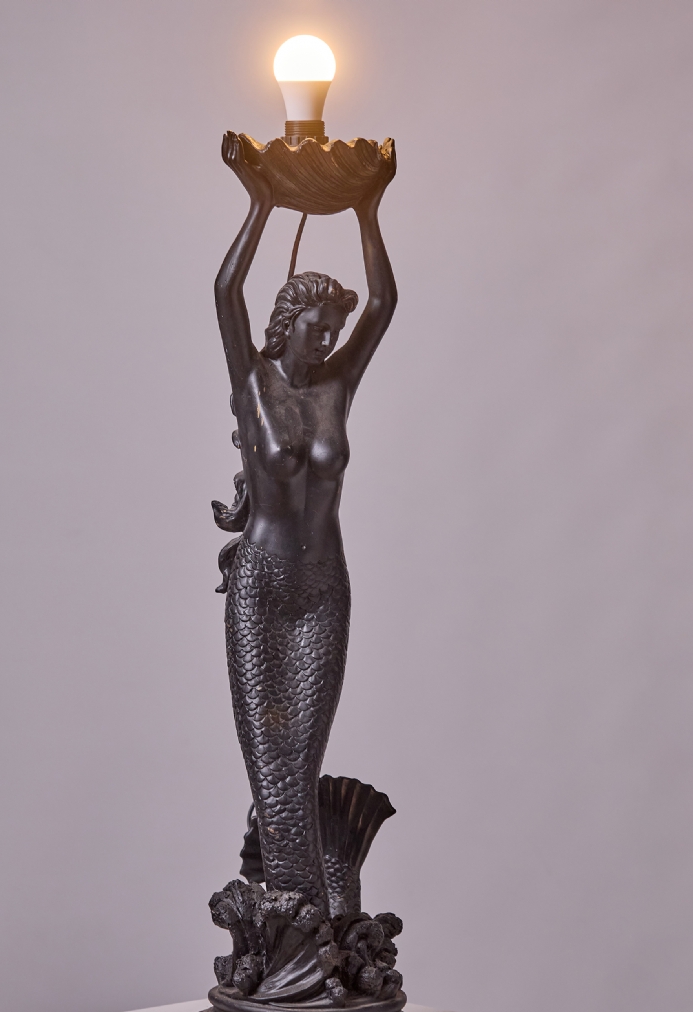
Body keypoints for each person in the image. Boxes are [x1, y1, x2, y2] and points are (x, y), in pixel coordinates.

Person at [214, 130, 397, 919]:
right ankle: (303, 917)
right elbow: (225, 291)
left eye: (331, 330)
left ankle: (309, 912)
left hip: (322, 584)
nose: (325, 340)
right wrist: (259, 205)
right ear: (285, 321)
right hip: (261, 584)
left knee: (304, 747)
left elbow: (383, 305)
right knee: (272, 758)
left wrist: (368, 208)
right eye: (314, 327)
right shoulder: (252, 382)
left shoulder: (336, 387)